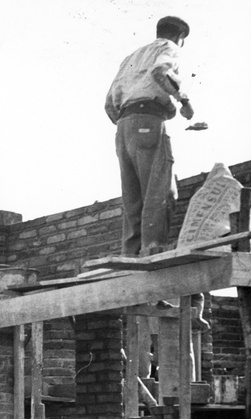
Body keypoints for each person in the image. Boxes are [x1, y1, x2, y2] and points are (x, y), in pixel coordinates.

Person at [105, 15, 194, 257]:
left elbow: (109, 104)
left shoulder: (131, 58)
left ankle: (131, 256)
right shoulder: (168, 47)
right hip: (148, 120)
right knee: (160, 192)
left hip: (124, 126)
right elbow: (161, 71)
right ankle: (152, 254)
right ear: (180, 36)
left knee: (133, 200)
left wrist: (130, 120)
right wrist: (183, 101)